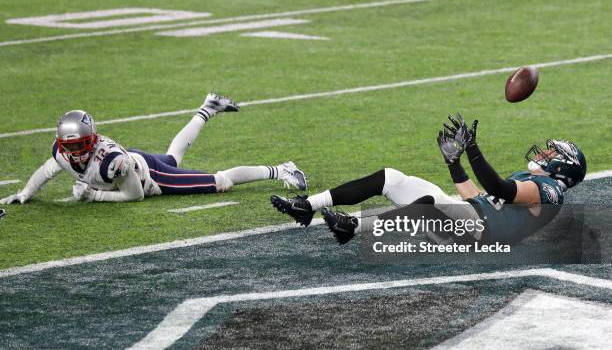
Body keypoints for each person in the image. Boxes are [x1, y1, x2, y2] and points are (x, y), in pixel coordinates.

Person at [271, 114, 586, 245]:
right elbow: (477, 196)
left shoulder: (549, 191)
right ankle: (306, 205)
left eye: (552, 152)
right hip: (472, 221)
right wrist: (454, 162)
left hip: (479, 238)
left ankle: (352, 227)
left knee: (430, 203)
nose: (545, 152)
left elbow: (497, 189)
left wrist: (473, 148)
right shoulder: (535, 182)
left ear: (563, 165)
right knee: (391, 178)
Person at [1, 93, 307, 204]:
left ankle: (282, 169)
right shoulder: (62, 152)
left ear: (91, 140)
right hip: (140, 161)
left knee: (220, 182)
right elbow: (46, 171)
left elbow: (134, 196)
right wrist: (26, 193)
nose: (76, 151)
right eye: (71, 146)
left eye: (82, 144)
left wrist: (94, 195)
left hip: (151, 179)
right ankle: (209, 107)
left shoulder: (111, 163)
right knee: (173, 156)